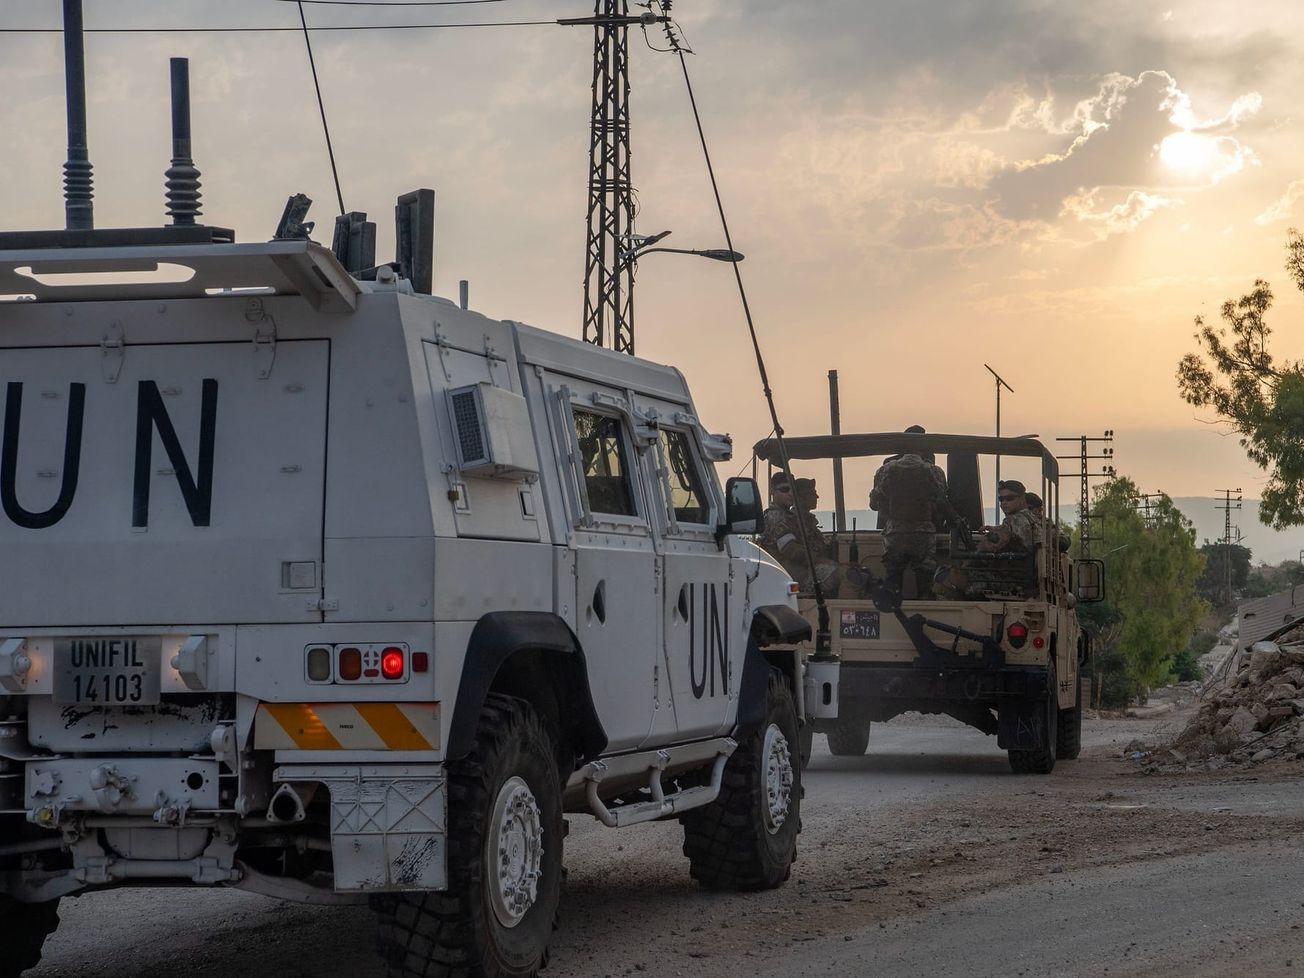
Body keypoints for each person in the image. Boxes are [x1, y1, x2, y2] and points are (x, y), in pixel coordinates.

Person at [869, 449, 958, 598]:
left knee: (893, 582)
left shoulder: (886, 470)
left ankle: (892, 607)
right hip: (923, 534)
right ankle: (924, 607)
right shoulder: (933, 471)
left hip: (894, 534)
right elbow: (942, 502)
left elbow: (874, 505)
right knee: (925, 584)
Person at [758, 473, 839, 593]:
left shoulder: (788, 516)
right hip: (786, 575)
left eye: (792, 490)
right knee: (842, 574)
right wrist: (818, 559)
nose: (790, 493)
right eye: (785, 489)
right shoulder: (774, 516)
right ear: (772, 492)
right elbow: (789, 548)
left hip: (796, 570)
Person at [978, 479, 1041, 553]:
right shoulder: (1034, 517)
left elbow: (990, 546)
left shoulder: (1012, 520)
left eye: (1009, 498)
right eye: (1001, 499)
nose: (1004, 502)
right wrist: (997, 528)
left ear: (1022, 498)